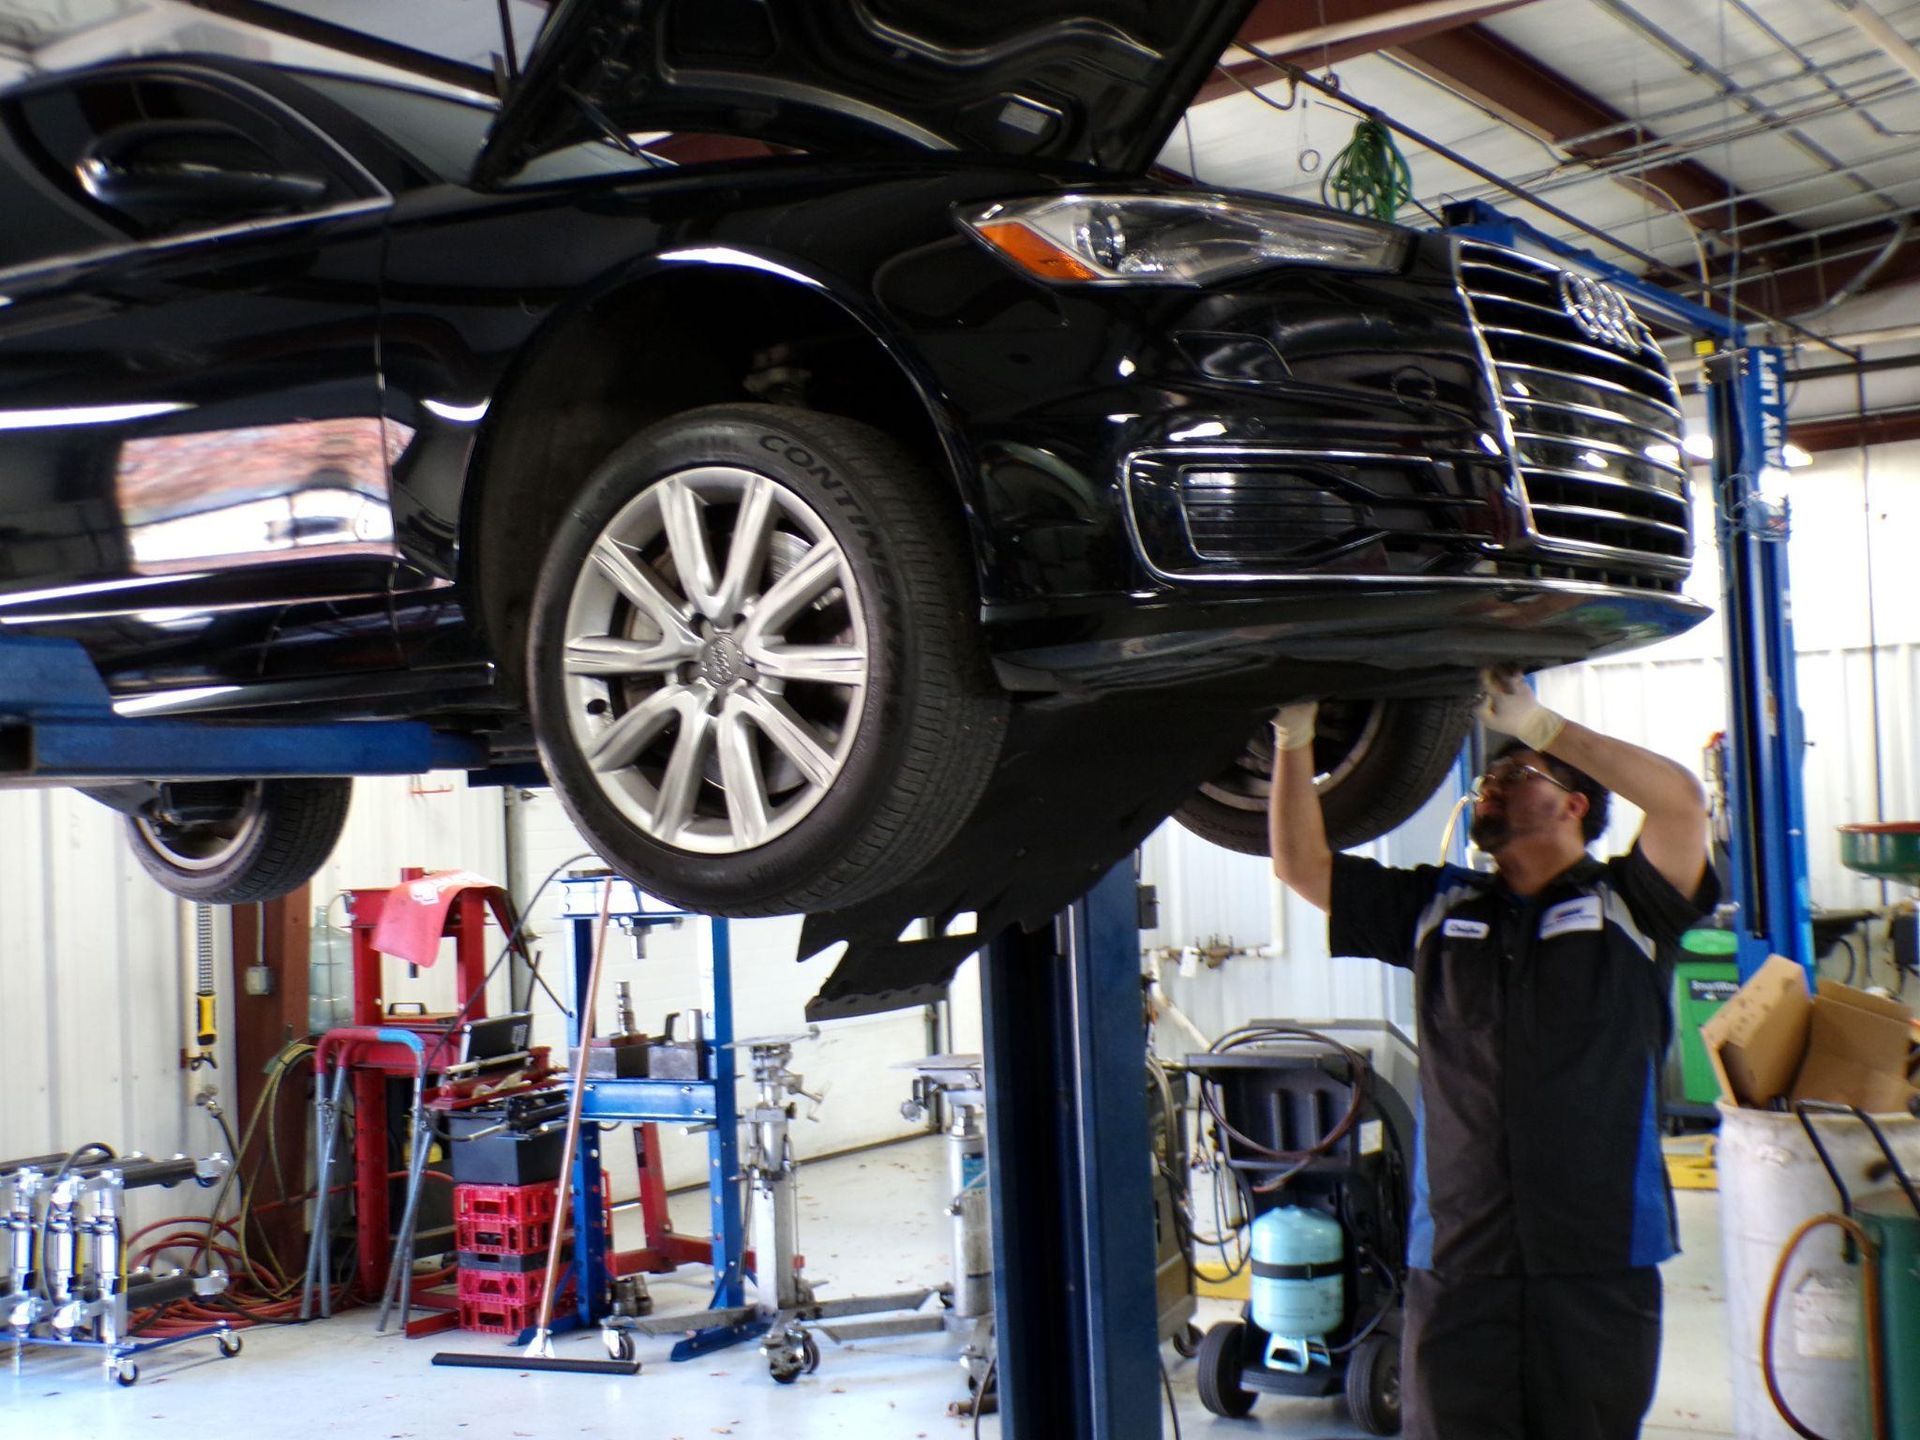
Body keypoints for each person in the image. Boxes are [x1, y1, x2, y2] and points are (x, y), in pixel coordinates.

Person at [1266, 668, 1718, 1440]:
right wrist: (1293, 739)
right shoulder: (1439, 907)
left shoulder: (1631, 905)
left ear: (1574, 805)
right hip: (1459, 1257)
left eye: (1516, 775)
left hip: (1598, 1257)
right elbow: (1301, 866)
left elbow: (1679, 802)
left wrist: (1546, 729)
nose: (1489, 789)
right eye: (1487, 781)